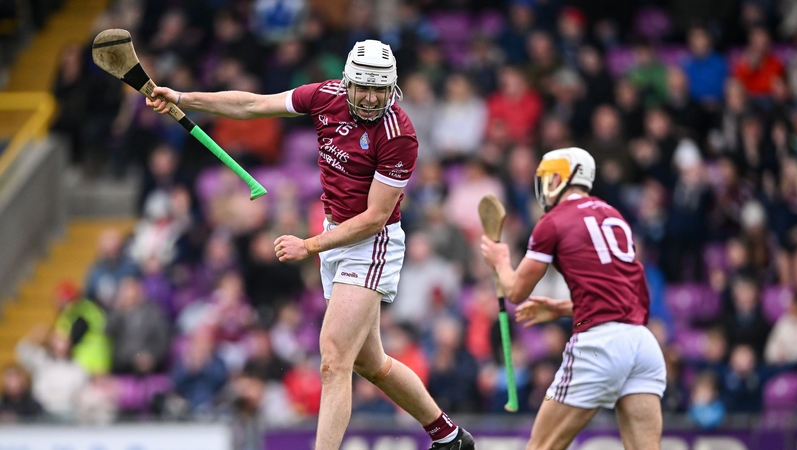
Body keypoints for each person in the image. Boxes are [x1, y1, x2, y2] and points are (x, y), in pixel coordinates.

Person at [147, 39, 474, 450]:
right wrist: (182, 97)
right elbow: (252, 105)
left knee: (334, 360)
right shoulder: (324, 96)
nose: (372, 98)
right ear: (348, 82)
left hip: (371, 242)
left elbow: (374, 218)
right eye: (364, 87)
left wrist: (311, 245)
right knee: (370, 364)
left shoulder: (399, 135)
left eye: (381, 89)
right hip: (337, 232)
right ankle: (449, 436)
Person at [480, 147, 666, 450]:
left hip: (599, 348)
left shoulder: (553, 221)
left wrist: (500, 260)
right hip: (643, 346)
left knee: (541, 447)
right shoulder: (614, 215)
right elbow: (619, 295)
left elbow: (515, 291)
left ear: (560, 178)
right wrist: (565, 308)